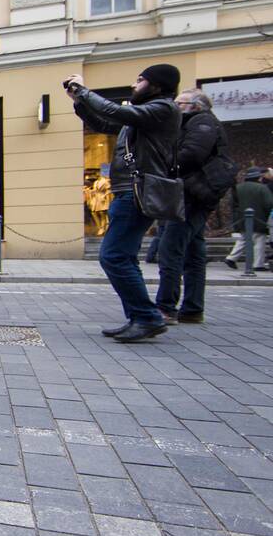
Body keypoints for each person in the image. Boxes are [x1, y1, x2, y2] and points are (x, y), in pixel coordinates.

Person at [66, 64, 182, 343]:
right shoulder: (145, 116)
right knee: (125, 257)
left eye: (140, 80)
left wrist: (84, 90)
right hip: (128, 190)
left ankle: (147, 316)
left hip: (136, 190)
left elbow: (114, 112)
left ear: (156, 86)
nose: (134, 84)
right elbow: (104, 124)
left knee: (113, 256)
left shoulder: (163, 109)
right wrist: (79, 102)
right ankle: (140, 317)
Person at [155, 90, 226, 324]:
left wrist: (161, 163)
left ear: (194, 106)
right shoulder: (198, 123)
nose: (175, 107)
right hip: (194, 193)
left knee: (170, 249)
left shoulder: (202, 122)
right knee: (194, 252)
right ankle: (193, 309)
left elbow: (192, 154)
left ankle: (166, 308)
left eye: (179, 103)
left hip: (190, 194)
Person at [224, 166, 273, 270]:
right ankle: (258, 265)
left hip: (241, 218)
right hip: (259, 219)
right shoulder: (262, 188)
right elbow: (269, 204)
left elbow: (233, 204)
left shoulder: (238, 187)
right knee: (259, 241)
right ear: (258, 178)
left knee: (244, 239)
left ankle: (231, 258)